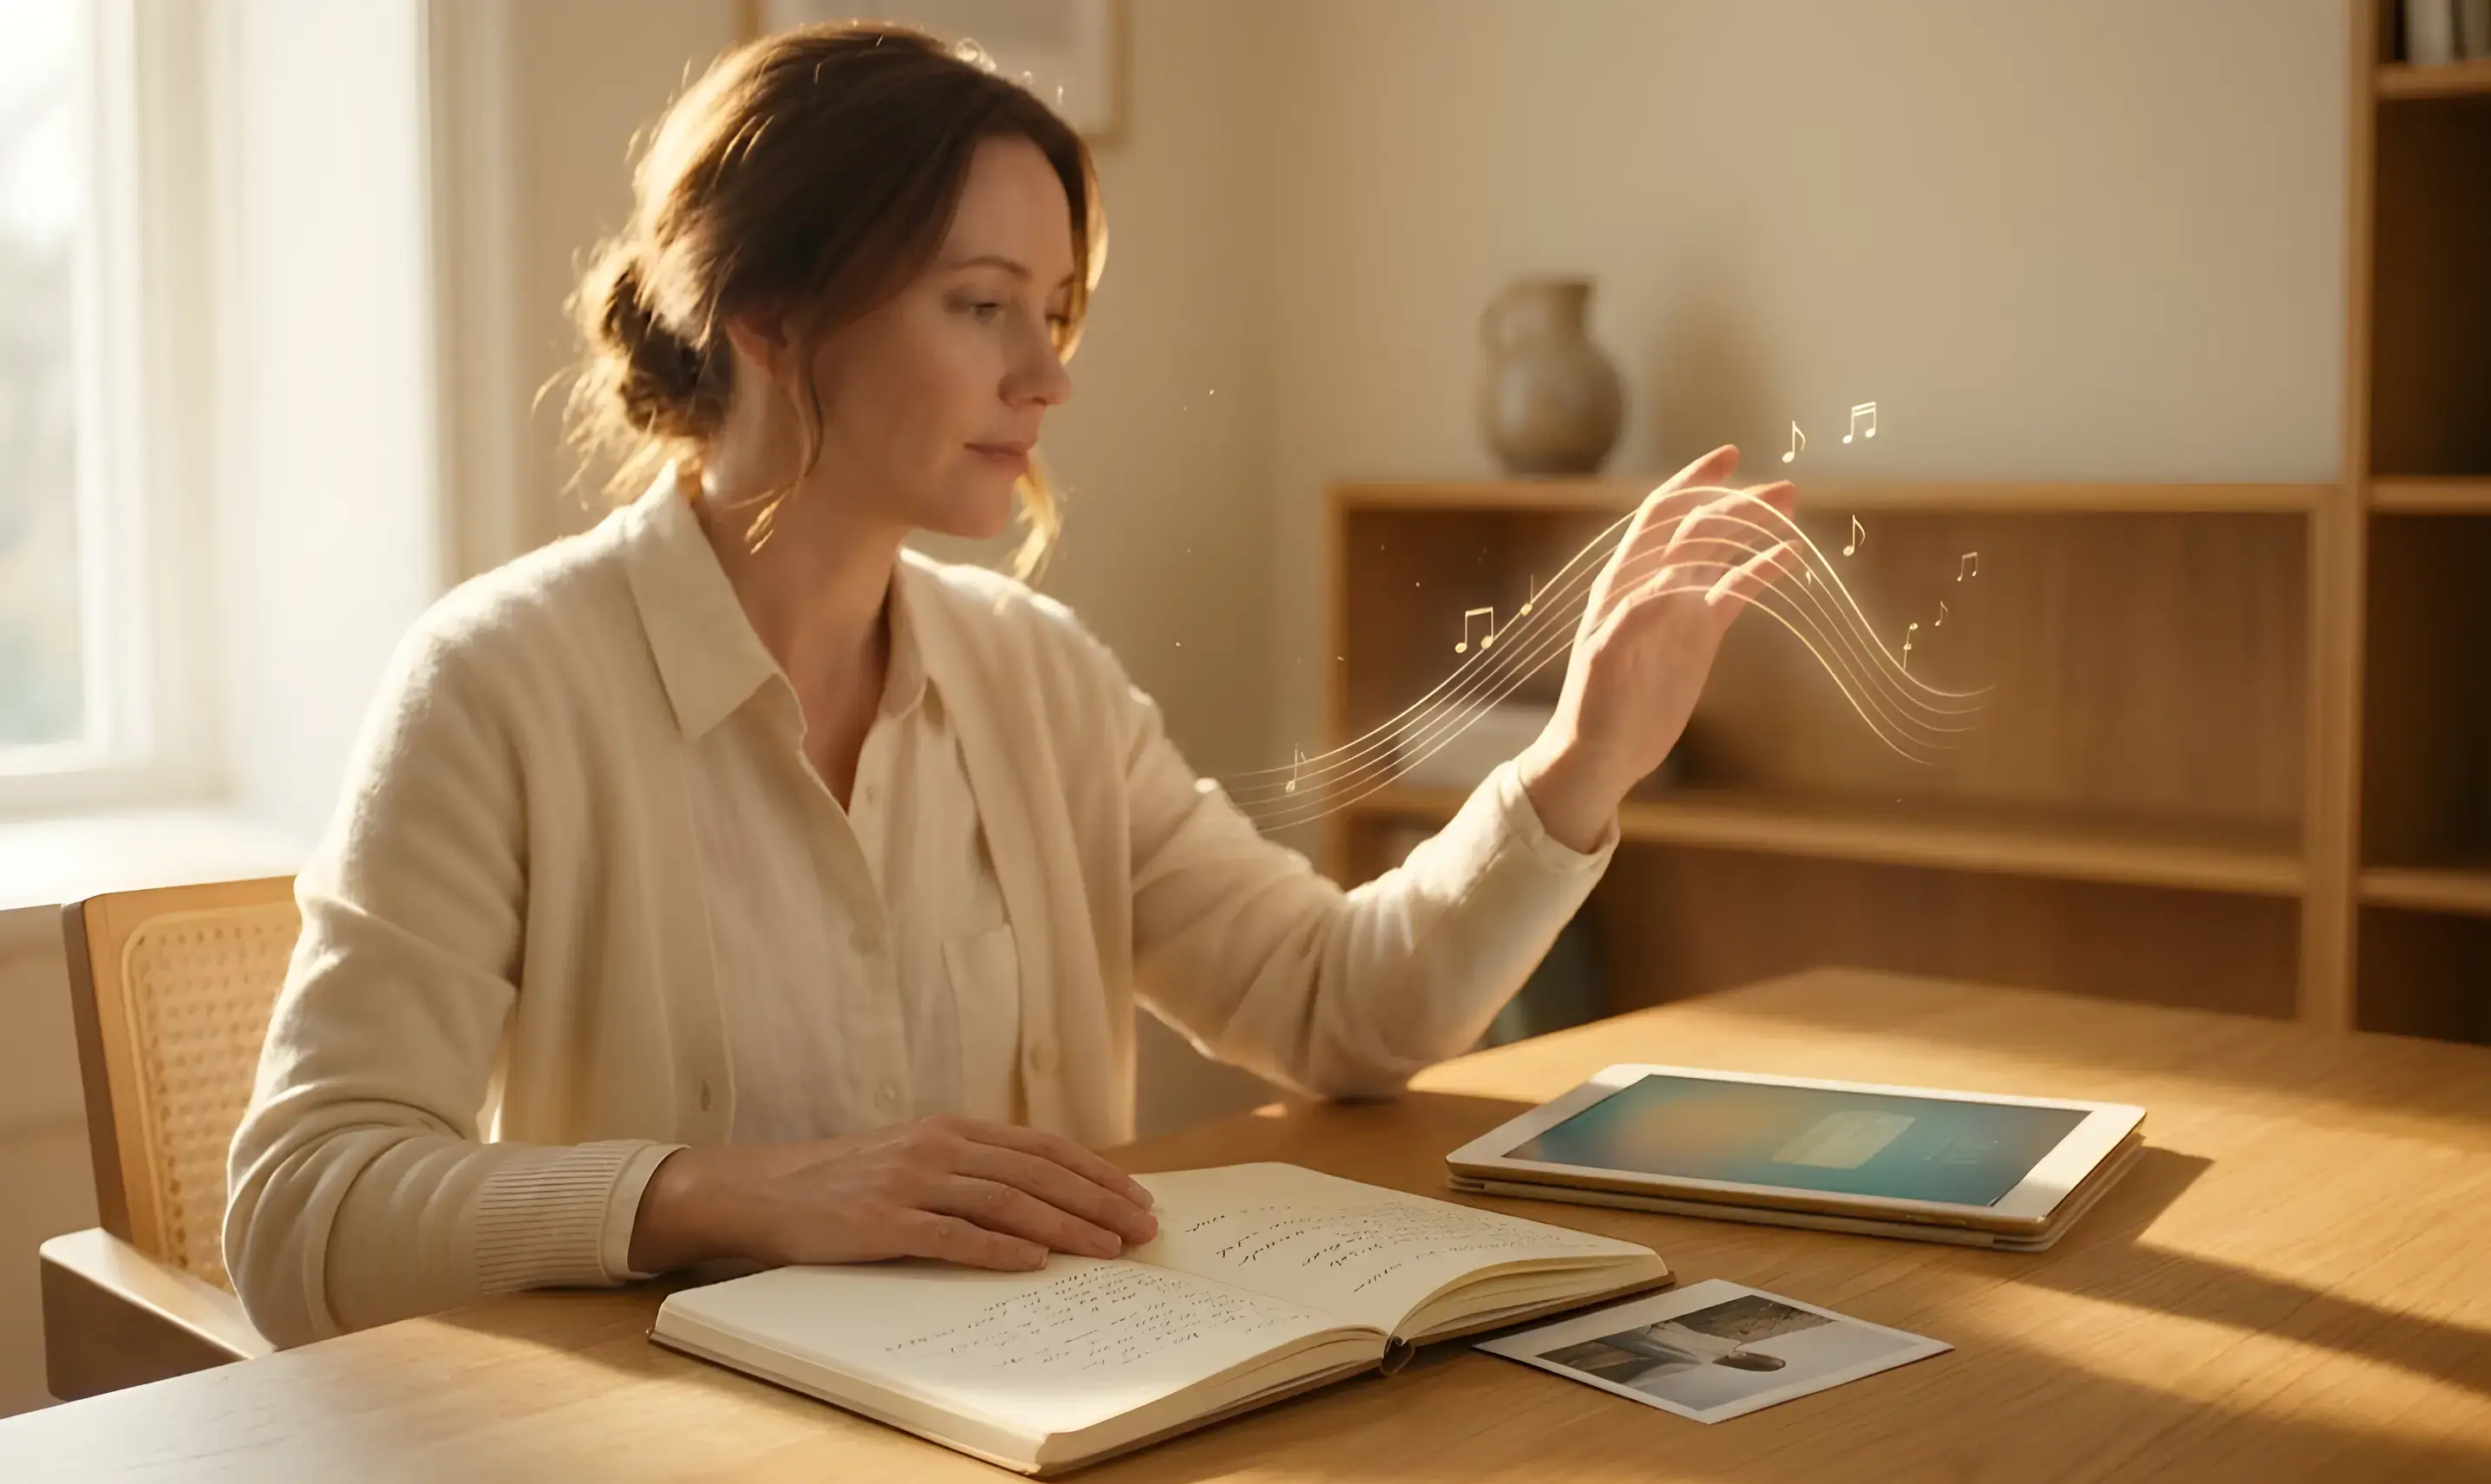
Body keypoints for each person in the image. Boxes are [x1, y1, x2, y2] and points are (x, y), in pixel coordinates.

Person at [222, 22, 1795, 1350]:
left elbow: (1338, 1010)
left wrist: (1584, 762)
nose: (1044, 376)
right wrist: (723, 1187)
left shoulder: (1039, 678)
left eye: (1051, 314)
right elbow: (303, 1207)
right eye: (981, 307)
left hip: (1044, 1419)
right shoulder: (498, 684)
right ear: (767, 316)